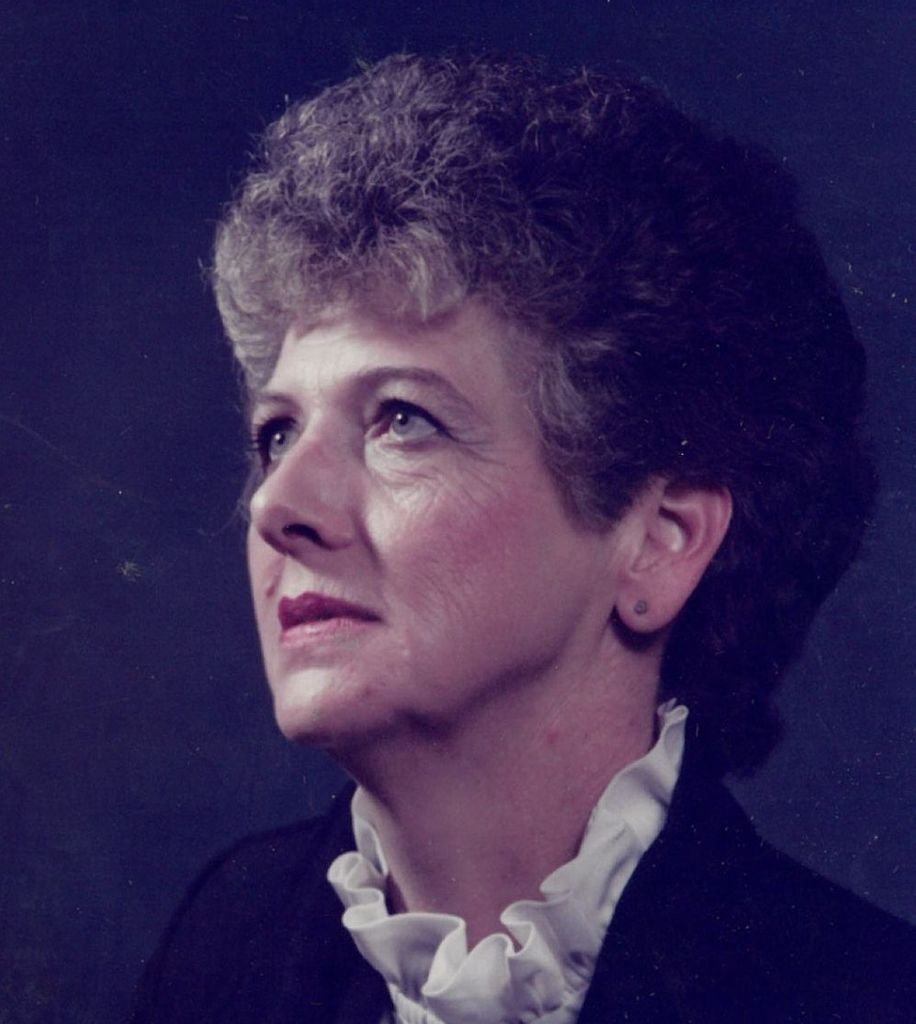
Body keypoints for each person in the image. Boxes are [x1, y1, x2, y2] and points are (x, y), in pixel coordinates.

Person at [130, 52, 915, 1023]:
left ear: (660, 541)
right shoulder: (224, 950)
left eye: (402, 419)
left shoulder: (869, 996)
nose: (275, 503)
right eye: (276, 433)